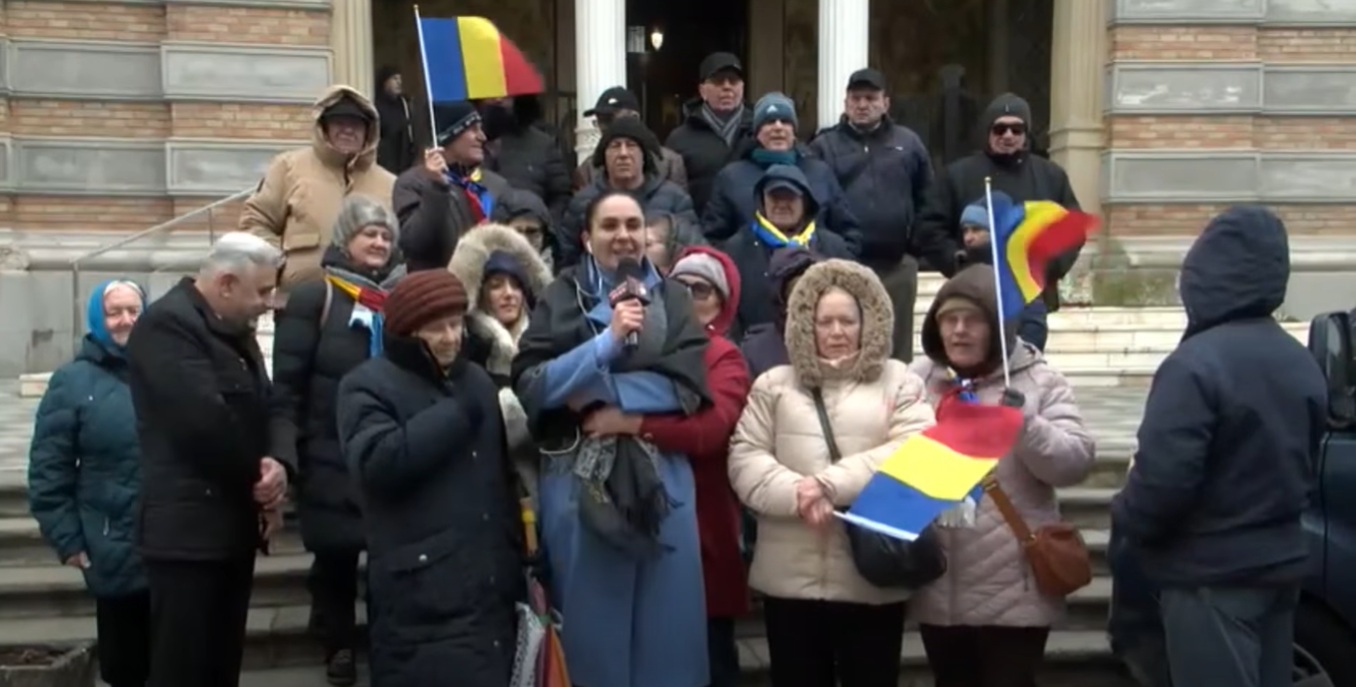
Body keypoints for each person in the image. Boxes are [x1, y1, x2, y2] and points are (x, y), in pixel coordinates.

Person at [1111, 206, 1326, 687]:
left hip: (1209, 572)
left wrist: (1126, 515)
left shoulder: (1195, 365)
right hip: (1280, 565)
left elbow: (1163, 484)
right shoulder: (1299, 359)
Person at [510, 191, 713, 687]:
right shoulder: (561, 295)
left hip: (660, 476)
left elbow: (687, 387)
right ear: (586, 237)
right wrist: (603, 345)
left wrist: (599, 394)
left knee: (670, 629)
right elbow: (531, 383)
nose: (623, 235)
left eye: (633, 224)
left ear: (647, 234)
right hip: (580, 479)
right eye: (609, 225)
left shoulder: (674, 297)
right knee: (590, 628)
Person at [727, 258, 934, 687]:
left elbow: (916, 449)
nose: (837, 332)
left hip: (872, 583)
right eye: (825, 321)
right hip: (791, 585)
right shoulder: (774, 385)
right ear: (805, 324)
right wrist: (797, 494)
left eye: (847, 320)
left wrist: (830, 483)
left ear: (869, 321)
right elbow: (745, 456)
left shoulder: (900, 382)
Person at [908, 264, 1095, 687]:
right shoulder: (917, 380)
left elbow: (1075, 462)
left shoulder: (1039, 380)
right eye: (947, 320)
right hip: (940, 583)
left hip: (1014, 586)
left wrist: (1026, 424)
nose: (958, 331)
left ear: (997, 326)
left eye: (971, 320)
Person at [337, 269, 524, 687]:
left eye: (456, 324)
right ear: (406, 331)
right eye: (435, 328)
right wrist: (455, 413)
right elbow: (377, 464)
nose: (450, 338)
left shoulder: (474, 379)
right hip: (420, 597)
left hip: (490, 586)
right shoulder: (365, 385)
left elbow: (500, 477)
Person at [125, 232, 295, 687]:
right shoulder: (168, 327)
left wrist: (279, 464)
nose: (269, 302)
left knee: (221, 667)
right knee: (184, 668)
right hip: (186, 537)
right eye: (261, 291)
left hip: (231, 530)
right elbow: (204, 422)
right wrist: (258, 482)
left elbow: (270, 401)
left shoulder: (235, 330)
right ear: (225, 283)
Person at [270, 195, 404, 686]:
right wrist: (287, 454)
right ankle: (340, 646)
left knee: (387, 557)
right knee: (336, 559)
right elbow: (287, 385)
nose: (379, 242)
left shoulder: (396, 299)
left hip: (386, 452)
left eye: (386, 236)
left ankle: (384, 643)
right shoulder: (316, 296)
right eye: (369, 233)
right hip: (327, 453)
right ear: (345, 238)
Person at [28, 280, 151, 687]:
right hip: (111, 543)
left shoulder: (167, 372)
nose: (126, 321)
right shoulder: (72, 382)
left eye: (134, 310)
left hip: (170, 539)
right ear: (98, 318)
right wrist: (68, 539)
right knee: (125, 664)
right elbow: (49, 469)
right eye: (115, 312)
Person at [648, 246, 752, 687]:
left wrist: (636, 423)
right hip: (649, 526)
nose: (690, 297)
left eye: (702, 290)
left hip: (704, 527)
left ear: (721, 302)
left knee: (712, 659)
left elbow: (709, 432)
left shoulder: (725, 357)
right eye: (681, 287)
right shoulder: (647, 344)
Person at [914, 93, 1081, 310]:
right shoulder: (958, 175)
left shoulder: (1051, 176)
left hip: (1032, 295)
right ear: (988, 132)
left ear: (1026, 133)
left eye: (1017, 129)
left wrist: (1050, 266)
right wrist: (957, 261)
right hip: (974, 293)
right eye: (1000, 129)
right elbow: (929, 228)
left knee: (1028, 345)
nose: (1008, 135)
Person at [810, 68, 932, 362]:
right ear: (846, 102)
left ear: (885, 103)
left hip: (897, 266)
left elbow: (927, 199)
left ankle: (896, 400)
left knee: (896, 348)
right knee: (846, 341)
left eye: (871, 97)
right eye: (856, 98)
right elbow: (815, 206)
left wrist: (914, 246)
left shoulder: (909, 143)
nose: (863, 104)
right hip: (843, 266)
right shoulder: (823, 146)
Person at [240, 85, 396, 287]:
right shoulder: (288, 167)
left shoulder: (390, 183)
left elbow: (400, 247)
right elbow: (256, 223)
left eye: (356, 124)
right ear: (324, 127)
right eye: (339, 122)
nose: (348, 129)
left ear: (369, 131)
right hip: (295, 300)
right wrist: (279, 267)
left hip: (369, 303)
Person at [447, 222, 553, 501]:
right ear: (481, 293)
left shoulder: (543, 340)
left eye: (516, 285)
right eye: (496, 286)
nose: (509, 294)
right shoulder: (469, 346)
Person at [701, 91, 861, 255]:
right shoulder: (731, 177)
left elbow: (848, 231)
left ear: (794, 131)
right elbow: (712, 238)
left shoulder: (820, 172)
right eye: (769, 122)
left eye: (785, 121)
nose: (778, 127)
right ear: (756, 132)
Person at [720, 164, 852, 340]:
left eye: (789, 197)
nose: (781, 204)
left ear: (805, 202)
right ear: (762, 201)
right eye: (774, 197)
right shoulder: (736, 248)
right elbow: (727, 312)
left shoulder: (833, 246)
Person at [560, 116, 698, 268]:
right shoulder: (583, 202)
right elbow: (567, 258)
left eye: (631, 146)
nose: (623, 154)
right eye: (615, 146)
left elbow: (693, 251)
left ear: (644, 156)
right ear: (604, 156)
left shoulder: (675, 199)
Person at [394, 100, 512, 272]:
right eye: (473, 129)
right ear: (449, 135)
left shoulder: (495, 184)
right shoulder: (413, 183)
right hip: (439, 289)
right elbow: (415, 244)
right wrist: (436, 188)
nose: (482, 137)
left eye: (481, 128)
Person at [952, 201, 1048, 350]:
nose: (969, 237)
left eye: (977, 229)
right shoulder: (962, 272)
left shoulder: (1017, 271)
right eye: (965, 231)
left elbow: (1034, 325)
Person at [666, 52, 754, 213]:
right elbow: (671, 197)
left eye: (733, 81)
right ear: (702, 90)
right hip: (698, 232)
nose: (727, 87)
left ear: (742, 87)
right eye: (718, 81)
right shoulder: (679, 139)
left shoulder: (760, 131)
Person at [576, 86, 688, 191]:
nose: (604, 127)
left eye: (609, 119)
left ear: (634, 118)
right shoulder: (588, 169)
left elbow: (679, 206)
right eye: (600, 121)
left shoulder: (670, 164)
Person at [481, 95, 573, 220]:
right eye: (491, 92)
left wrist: (545, 227)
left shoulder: (542, 144)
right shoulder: (466, 144)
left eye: (505, 94)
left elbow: (561, 195)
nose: (498, 99)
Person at [738, 246, 823, 380]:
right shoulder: (755, 351)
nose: (807, 301)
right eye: (798, 294)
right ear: (782, 298)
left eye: (815, 291)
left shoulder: (839, 336)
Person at [499, 187, 559, 273]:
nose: (524, 239)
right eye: (517, 232)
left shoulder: (561, 278)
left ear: (545, 237)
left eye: (532, 232)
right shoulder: (482, 274)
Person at [374, 66, 417, 174]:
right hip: (386, 163)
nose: (399, 83)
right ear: (384, 82)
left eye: (400, 79)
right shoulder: (377, 106)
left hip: (405, 162)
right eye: (394, 79)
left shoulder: (404, 104)